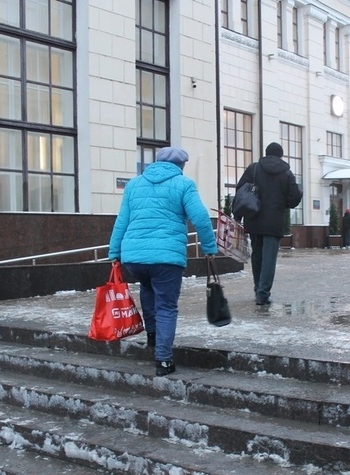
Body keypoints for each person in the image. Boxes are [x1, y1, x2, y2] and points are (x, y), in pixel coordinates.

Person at [108, 147, 219, 376]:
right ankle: (164, 359)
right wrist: (209, 247)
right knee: (167, 306)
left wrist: (114, 253)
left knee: (148, 292)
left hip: (135, 257)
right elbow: (199, 217)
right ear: (181, 165)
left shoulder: (134, 184)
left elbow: (122, 221)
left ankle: (153, 337)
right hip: (166, 257)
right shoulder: (184, 184)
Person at [236, 142, 302, 305]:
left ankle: (257, 288)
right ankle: (263, 293)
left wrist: (238, 215)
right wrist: (281, 203)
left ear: (266, 153)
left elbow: (240, 190)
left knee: (257, 256)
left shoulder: (254, 168)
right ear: (281, 155)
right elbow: (294, 197)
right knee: (269, 259)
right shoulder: (286, 173)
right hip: (274, 221)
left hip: (254, 218)